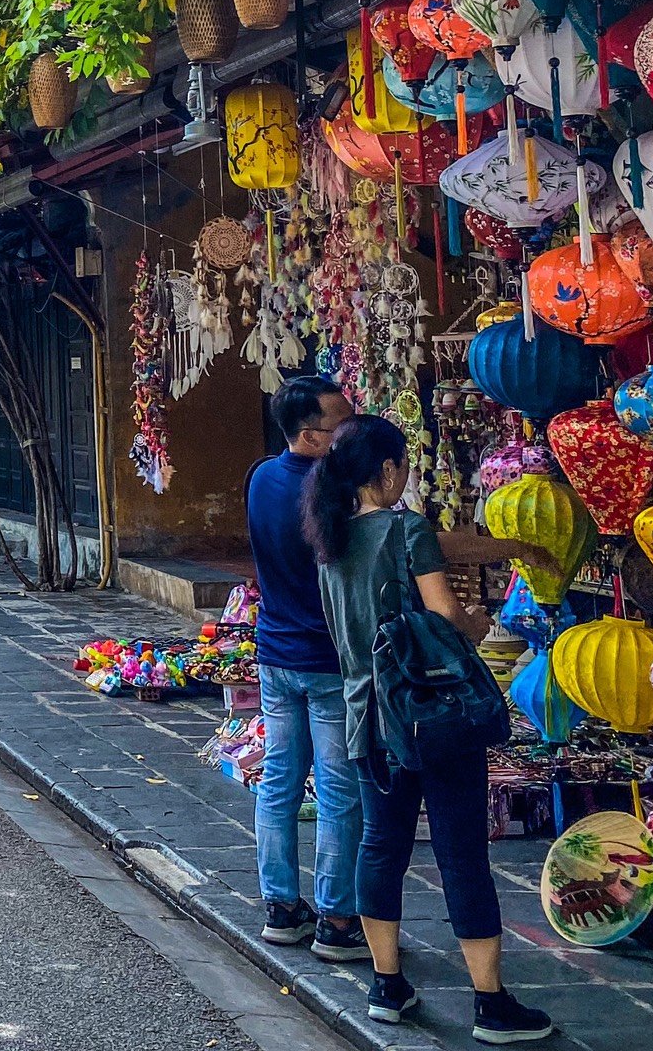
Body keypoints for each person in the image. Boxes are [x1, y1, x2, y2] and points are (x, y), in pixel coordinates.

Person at [310, 415, 552, 1045]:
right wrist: (474, 623)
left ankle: (386, 985)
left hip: (367, 718)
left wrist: (511, 548)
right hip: (432, 716)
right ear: (388, 469)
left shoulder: (331, 536)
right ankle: (490, 1003)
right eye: (403, 467)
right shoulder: (405, 528)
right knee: (461, 853)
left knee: (380, 848)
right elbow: (443, 613)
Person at [244, 376, 366, 963]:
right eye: (342, 425)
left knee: (280, 781)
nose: (350, 433)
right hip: (327, 661)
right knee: (340, 791)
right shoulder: (334, 494)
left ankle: (281, 907)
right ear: (310, 435)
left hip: (276, 652)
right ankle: (337, 918)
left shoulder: (261, 478)